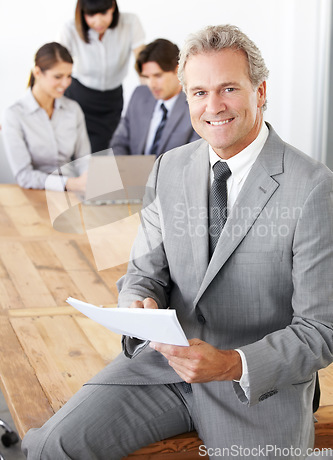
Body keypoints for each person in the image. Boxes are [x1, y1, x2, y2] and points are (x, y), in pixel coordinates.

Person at [22, 25, 333, 460]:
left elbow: (321, 330)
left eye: (228, 88)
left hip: (256, 391)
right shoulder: (170, 168)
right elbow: (144, 273)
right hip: (162, 369)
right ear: (185, 97)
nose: (214, 106)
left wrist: (230, 364)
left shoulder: (313, 186)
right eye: (199, 92)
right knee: (48, 448)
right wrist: (138, 304)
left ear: (260, 92)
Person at [59, 0, 145, 153]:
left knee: (106, 152)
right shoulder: (70, 29)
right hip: (79, 96)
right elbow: (59, 67)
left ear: (113, 6)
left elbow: (141, 64)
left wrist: (147, 98)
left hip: (111, 100)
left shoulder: (130, 23)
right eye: (91, 15)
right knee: (74, 150)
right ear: (82, 13)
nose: (98, 21)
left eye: (104, 13)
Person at [2, 42, 90, 192]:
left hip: (75, 193)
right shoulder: (15, 115)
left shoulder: (73, 109)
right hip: (35, 193)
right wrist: (69, 183)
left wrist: (88, 177)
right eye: (58, 76)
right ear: (37, 73)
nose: (66, 83)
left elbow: (84, 158)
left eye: (69, 76)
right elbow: (24, 175)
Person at [110, 38, 199, 156]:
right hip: (133, 172)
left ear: (178, 70)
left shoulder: (195, 104)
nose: (151, 84)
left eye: (157, 76)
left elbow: (195, 156)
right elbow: (119, 142)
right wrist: (125, 169)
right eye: (146, 77)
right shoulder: (139, 95)